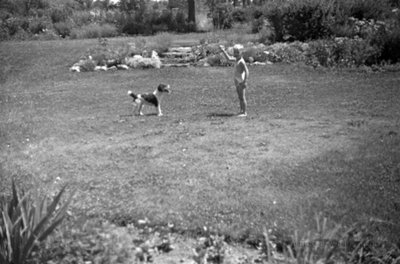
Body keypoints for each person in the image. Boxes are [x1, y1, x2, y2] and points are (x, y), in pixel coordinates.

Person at [219, 44, 249, 117]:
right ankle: (241, 111)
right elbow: (228, 59)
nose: (235, 54)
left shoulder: (241, 61)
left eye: (237, 52)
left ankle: (244, 112)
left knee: (242, 97)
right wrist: (223, 51)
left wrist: (245, 81)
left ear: (241, 53)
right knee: (240, 97)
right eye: (234, 52)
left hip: (241, 81)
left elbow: (247, 71)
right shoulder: (236, 60)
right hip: (237, 81)